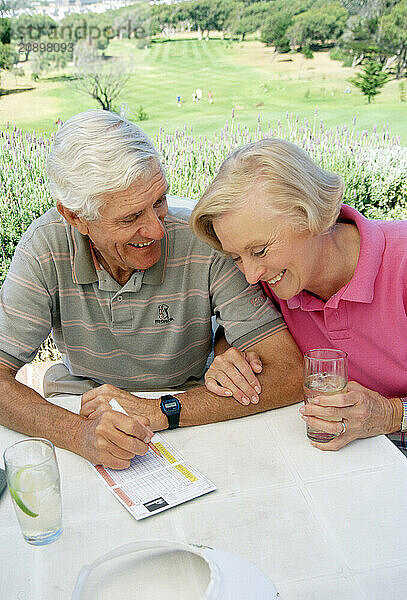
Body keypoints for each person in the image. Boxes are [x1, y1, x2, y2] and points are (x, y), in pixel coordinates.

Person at [0, 111, 303, 470]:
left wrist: (160, 409)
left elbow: (290, 371)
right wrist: (78, 434)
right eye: (130, 219)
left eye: (158, 201)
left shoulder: (200, 240)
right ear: (75, 217)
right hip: (83, 413)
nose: (158, 231)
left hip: (188, 409)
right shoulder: (45, 247)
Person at [190, 138, 407, 455]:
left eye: (260, 250)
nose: (250, 274)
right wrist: (228, 353)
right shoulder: (273, 279)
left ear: (312, 215)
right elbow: (234, 332)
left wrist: (391, 414)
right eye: (236, 257)